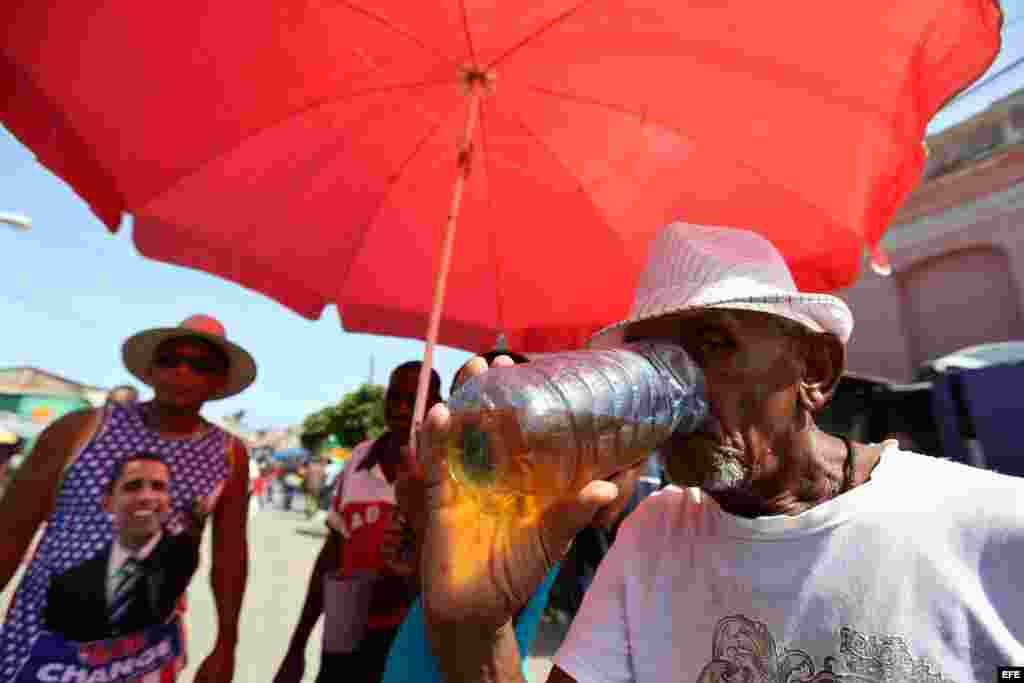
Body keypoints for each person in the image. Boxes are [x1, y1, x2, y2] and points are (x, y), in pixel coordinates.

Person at [414, 223, 1024, 683]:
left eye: (713, 344)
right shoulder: (653, 536)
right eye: (647, 361)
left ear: (814, 369)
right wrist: (475, 626)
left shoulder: (993, 526)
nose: (673, 390)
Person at [0, 314, 255, 682]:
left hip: (145, 654)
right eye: (171, 360)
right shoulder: (79, 430)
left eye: (201, 365)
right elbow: (10, 531)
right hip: (44, 646)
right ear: (150, 370)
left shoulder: (229, 454)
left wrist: (227, 643)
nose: (183, 371)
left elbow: (230, 555)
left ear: (218, 383)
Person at [274, 361, 443, 683]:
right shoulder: (359, 460)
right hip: (344, 631)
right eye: (394, 397)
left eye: (414, 400)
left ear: (436, 407)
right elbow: (331, 554)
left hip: (407, 639)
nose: (401, 409)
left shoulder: (442, 472)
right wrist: (296, 646)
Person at [43, 453, 202, 642]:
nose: (146, 497)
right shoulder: (67, 584)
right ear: (108, 502)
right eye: (132, 486)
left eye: (158, 487)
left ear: (169, 501)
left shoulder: (181, 556)